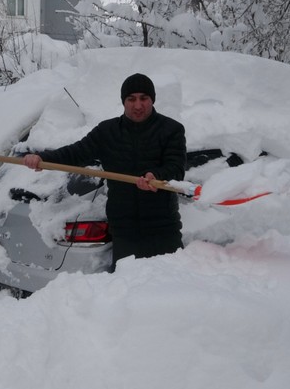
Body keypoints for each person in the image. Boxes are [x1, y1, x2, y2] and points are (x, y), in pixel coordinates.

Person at [23, 73, 187, 271]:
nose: (138, 105)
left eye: (144, 98)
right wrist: (43, 159)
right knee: (129, 290)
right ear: (123, 101)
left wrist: (156, 177)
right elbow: (76, 153)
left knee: (170, 288)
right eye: (131, 99)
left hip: (163, 228)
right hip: (125, 231)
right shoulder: (107, 131)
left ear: (152, 99)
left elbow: (176, 169)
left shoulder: (171, 130)